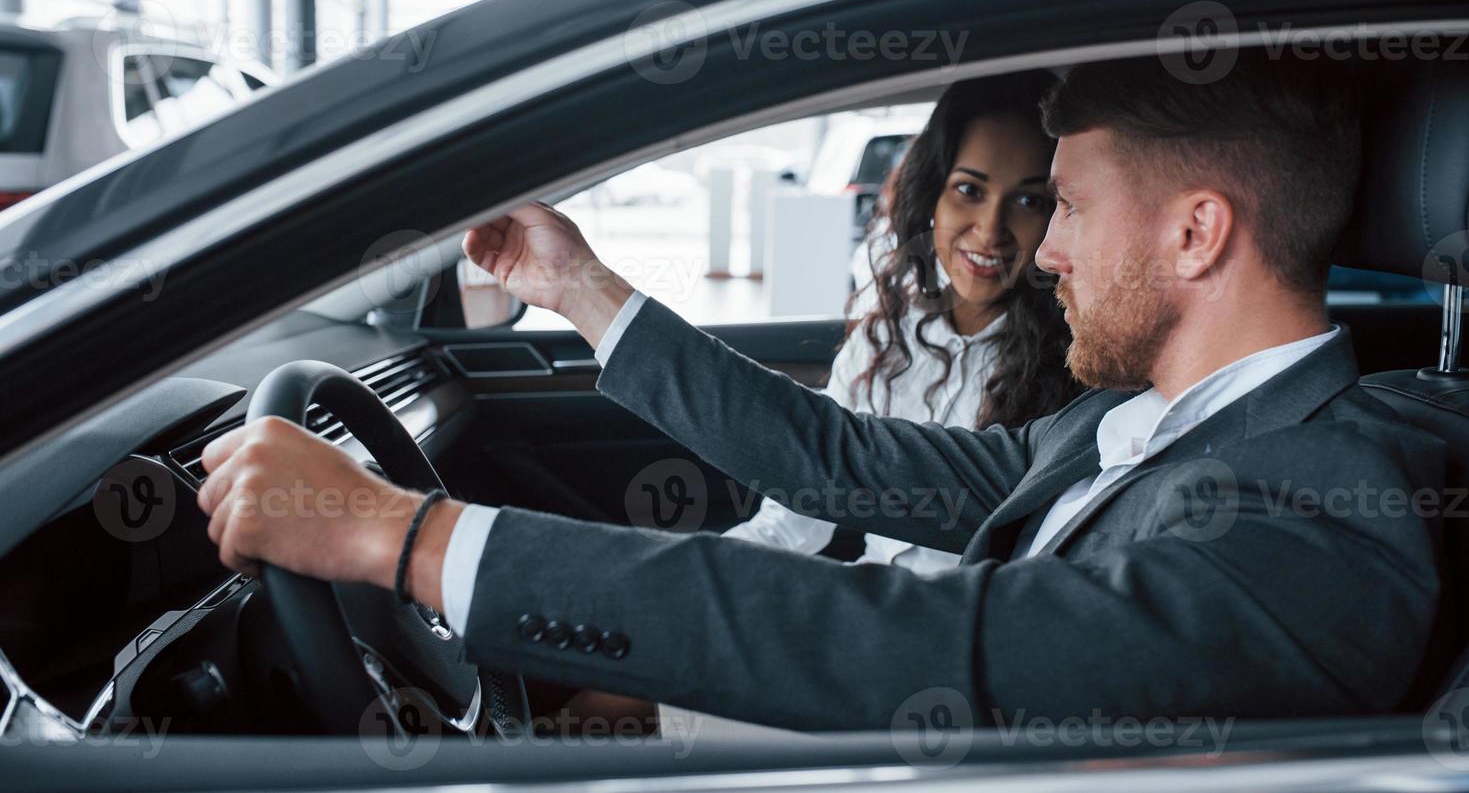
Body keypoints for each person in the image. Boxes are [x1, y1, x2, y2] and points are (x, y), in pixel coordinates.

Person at [195, 51, 1444, 731]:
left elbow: (927, 642)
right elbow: (839, 455)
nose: (1041, 249)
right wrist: (580, 288)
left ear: (1194, 235)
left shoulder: (1332, 502)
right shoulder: (1121, 426)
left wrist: (406, 533)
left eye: (1064, 205)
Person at [725, 71, 1079, 573]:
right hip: (873, 605)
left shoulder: (1079, 364)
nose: (990, 230)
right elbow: (793, 520)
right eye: (969, 190)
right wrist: (689, 574)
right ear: (933, 193)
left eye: (1028, 201)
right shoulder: (884, 337)